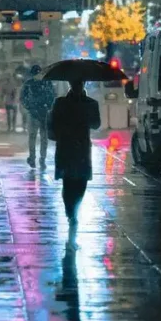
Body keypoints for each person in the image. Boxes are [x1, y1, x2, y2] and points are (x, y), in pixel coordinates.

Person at [47, 79, 101, 247]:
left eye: (79, 83)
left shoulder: (91, 103)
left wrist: (85, 115)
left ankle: (73, 213)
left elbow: (96, 124)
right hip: (66, 148)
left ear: (83, 83)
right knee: (68, 184)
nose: (77, 85)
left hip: (82, 149)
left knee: (81, 184)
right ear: (71, 83)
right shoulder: (60, 102)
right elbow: (53, 124)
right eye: (74, 83)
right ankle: (71, 215)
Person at [20, 64, 55, 169]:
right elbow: (52, 96)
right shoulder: (47, 83)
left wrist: (29, 107)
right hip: (43, 113)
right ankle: (41, 159)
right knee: (43, 138)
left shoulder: (29, 84)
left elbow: (23, 98)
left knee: (33, 137)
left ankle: (33, 158)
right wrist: (48, 107)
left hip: (34, 113)